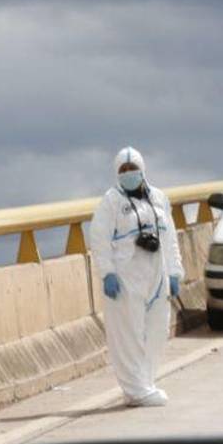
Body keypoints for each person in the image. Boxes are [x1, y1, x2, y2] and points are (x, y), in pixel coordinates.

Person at [90, 147, 185, 407]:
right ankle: (135, 388)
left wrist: (175, 272)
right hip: (126, 277)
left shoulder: (159, 198)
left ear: (143, 170)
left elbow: (170, 238)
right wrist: (107, 272)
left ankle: (146, 382)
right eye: (123, 170)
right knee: (128, 334)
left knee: (157, 330)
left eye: (133, 169)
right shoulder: (112, 201)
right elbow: (99, 239)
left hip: (156, 273)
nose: (129, 174)